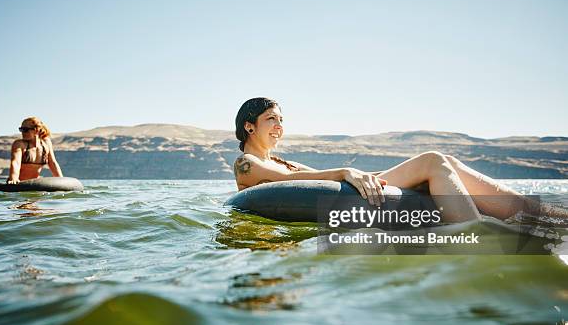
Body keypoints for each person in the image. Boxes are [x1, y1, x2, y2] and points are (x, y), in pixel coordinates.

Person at [232, 97, 551, 224]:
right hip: (346, 194)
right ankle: (477, 236)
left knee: (445, 161)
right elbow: (288, 184)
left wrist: (362, 174)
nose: (279, 126)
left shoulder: (284, 160)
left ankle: (544, 215)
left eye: (281, 120)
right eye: (271, 119)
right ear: (250, 126)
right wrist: (346, 170)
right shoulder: (246, 164)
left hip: (350, 188)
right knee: (432, 160)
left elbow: (316, 177)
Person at [7, 117, 63, 184]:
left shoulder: (46, 143)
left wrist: (61, 180)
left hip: (33, 184)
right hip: (18, 184)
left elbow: (53, 163)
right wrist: (14, 179)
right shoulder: (19, 144)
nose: (22, 132)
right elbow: (16, 162)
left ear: (37, 130)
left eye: (25, 130)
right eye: (21, 129)